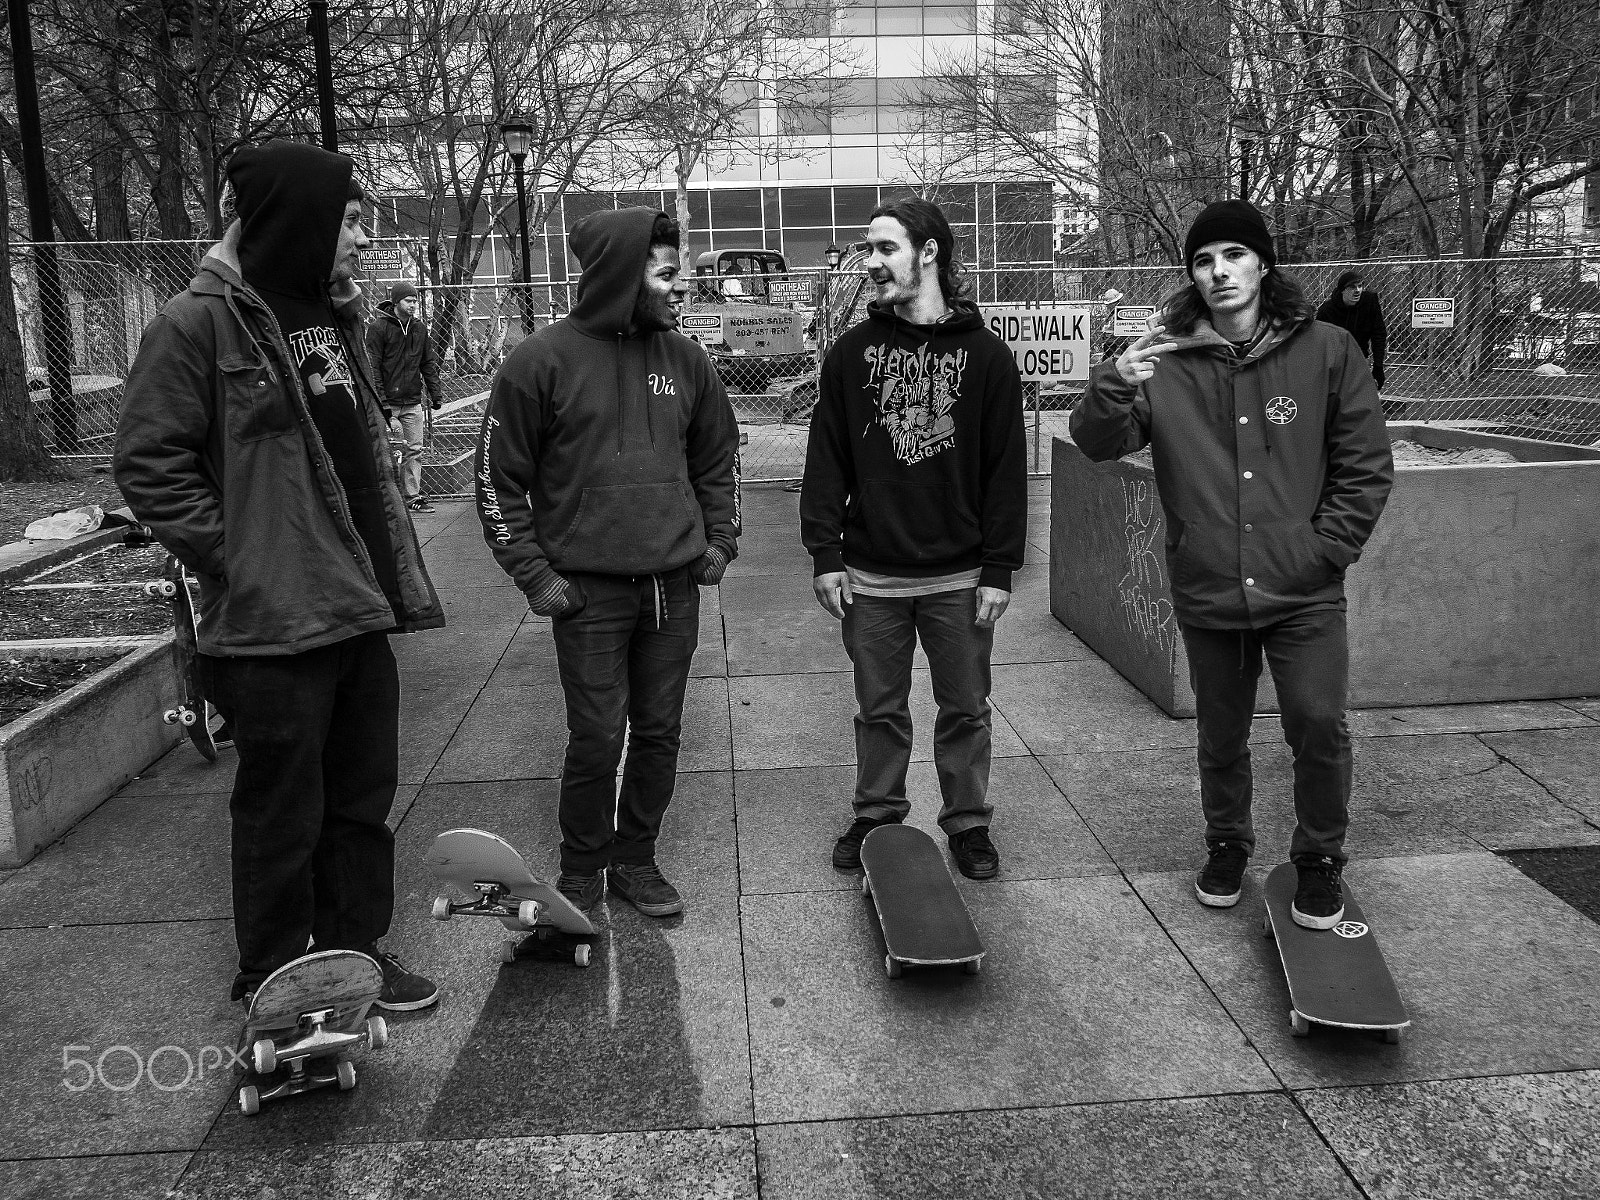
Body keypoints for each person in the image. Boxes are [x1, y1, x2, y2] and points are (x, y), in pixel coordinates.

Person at [113, 139, 446, 1008]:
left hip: (356, 605)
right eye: (345, 220)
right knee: (280, 811)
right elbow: (150, 465)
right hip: (272, 622)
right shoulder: (196, 324)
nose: (358, 238)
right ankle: (272, 973)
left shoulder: (328, 313)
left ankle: (354, 952)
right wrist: (240, 558)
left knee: (361, 800)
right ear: (294, 220)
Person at [1071, 198, 1393, 929]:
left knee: (1316, 721)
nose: (1219, 271)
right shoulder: (1170, 362)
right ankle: (1226, 843)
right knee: (1221, 731)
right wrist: (1115, 379)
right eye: (1203, 261)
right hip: (1210, 582)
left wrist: (1323, 552)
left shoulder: (1328, 351)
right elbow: (1098, 441)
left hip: (1302, 587)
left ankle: (1317, 857)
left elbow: (1365, 466)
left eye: (1233, 256)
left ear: (1262, 264)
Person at [475, 207, 740, 918]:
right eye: (666, 273)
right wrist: (537, 576)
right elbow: (495, 481)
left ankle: (636, 859)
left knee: (660, 732)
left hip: (673, 587)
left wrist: (719, 541)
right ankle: (584, 866)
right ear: (626, 274)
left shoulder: (686, 360)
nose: (681, 286)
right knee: (597, 736)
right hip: (586, 594)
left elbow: (717, 457)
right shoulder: (540, 363)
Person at [800, 196, 1027, 881]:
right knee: (879, 708)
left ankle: (967, 823)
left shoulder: (985, 357)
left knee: (965, 707)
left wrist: (999, 567)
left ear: (929, 252)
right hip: (872, 574)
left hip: (959, 576)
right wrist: (825, 552)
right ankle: (877, 813)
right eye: (867, 250)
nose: (871, 263)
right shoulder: (851, 355)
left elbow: (1005, 468)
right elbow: (826, 458)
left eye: (884, 248)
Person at [367, 281, 443, 513]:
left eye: (415, 302)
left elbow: (427, 362)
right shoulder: (379, 328)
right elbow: (373, 368)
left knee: (415, 450)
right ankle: (385, 499)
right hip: (387, 403)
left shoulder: (419, 329)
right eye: (409, 301)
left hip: (412, 401)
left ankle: (412, 497)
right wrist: (382, 405)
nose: (413, 305)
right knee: (385, 450)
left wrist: (435, 392)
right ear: (396, 301)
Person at [1316, 270, 1388, 390]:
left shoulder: (1369, 303)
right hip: (1336, 361)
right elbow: (1320, 342)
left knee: (1361, 394)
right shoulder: (1327, 311)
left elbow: (1378, 334)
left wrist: (1378, 366)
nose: (1357, 291)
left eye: (1360, 286)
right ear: (1342, 290)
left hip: (1360, 357)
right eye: (1352, 287)